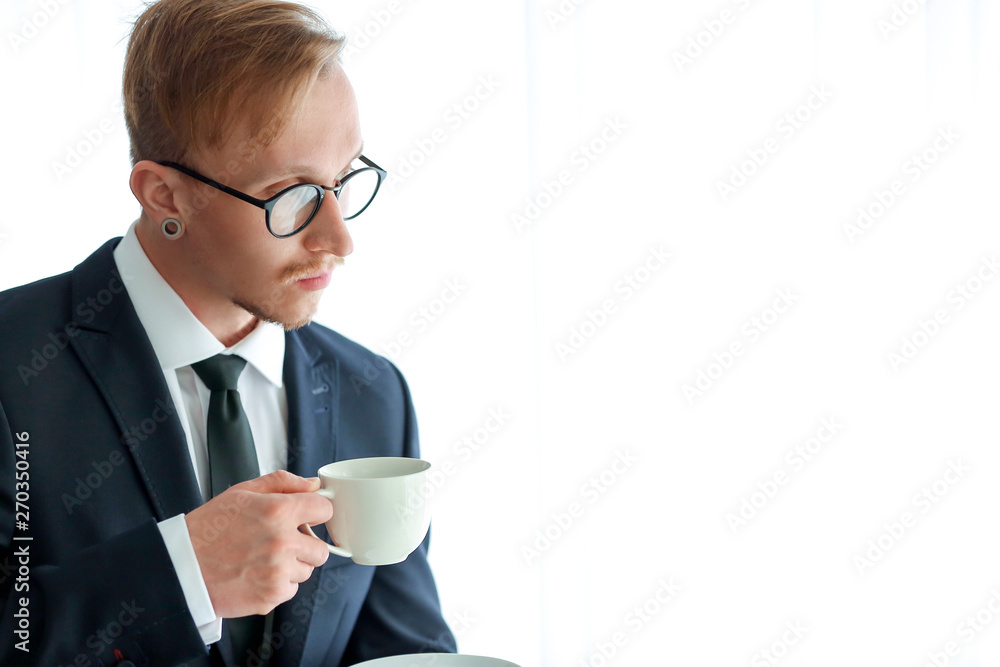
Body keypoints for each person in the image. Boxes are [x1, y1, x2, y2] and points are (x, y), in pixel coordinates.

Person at [0, 1, 456, 665]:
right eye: (292, 195)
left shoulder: (374, 393)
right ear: (164, 196)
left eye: (344, 179)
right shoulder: (11, 366)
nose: (340, 239)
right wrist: (182, 574)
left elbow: (403, 647)